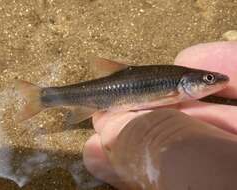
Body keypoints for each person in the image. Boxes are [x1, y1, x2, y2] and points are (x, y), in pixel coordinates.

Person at [83, 42, 237, 189]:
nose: (215, 82)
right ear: (185, 82)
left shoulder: (178, 85)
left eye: (209, 78)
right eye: (209, 79)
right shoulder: (175, 86)